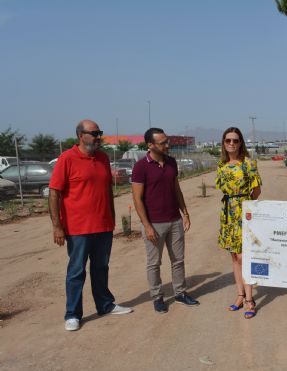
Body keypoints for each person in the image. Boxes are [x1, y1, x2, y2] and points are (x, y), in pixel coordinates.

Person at [49, 119, 132, 331]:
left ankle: (105, 305)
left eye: (99, 133)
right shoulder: (67, 159)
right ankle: (73, 314)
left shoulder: (103, 158)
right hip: (78, 229)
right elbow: (54, 193)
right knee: (76, 271)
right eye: (94, 133)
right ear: (80, 135)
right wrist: (57, 226)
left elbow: (107, 192)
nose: (98, 137)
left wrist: (112, 219)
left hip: (103, 226)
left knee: (101, 268)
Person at [131, 127, 199, 314]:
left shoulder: (171, 163)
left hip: (174, 220)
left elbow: (176, 189)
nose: (167, 145)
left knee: (178, 260)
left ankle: (180, 293)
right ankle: (157, 297)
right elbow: (137, 199)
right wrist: (147, 226)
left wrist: (185, 213)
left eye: (167, 141)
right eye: (163, 143)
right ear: (150, 145)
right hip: (154, 224)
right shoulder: (140, 167)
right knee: (154, 263)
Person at [216, 127, 262, 319]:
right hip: (228, 214)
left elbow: (257, 191)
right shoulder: (222, 165)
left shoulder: (249, 164)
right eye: (228, 140)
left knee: (245, 257)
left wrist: (245, 208)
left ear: (241, 142)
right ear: (224, 143)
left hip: (244, 213)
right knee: (235, 257)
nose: (232, 144)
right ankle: (240, 295)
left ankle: (250, 300)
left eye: (235, 140)